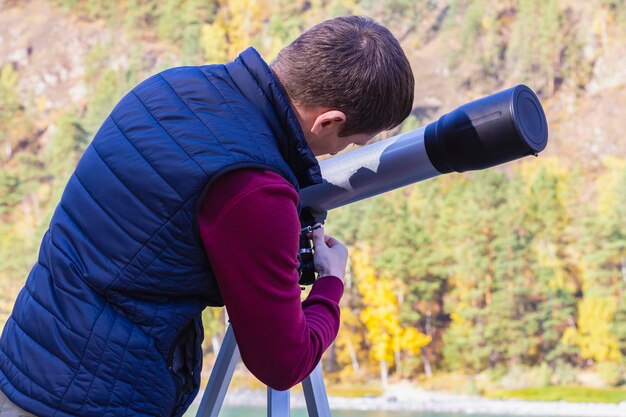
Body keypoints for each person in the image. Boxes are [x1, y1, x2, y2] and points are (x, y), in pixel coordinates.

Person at [0, 15, 414, 417]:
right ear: (328, 121)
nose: (339, 154)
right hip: (94, 398)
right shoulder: (254, 188)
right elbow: (283, 363)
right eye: (352, 142)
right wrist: (330, 283)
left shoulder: (170, 87)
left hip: (26, 362)